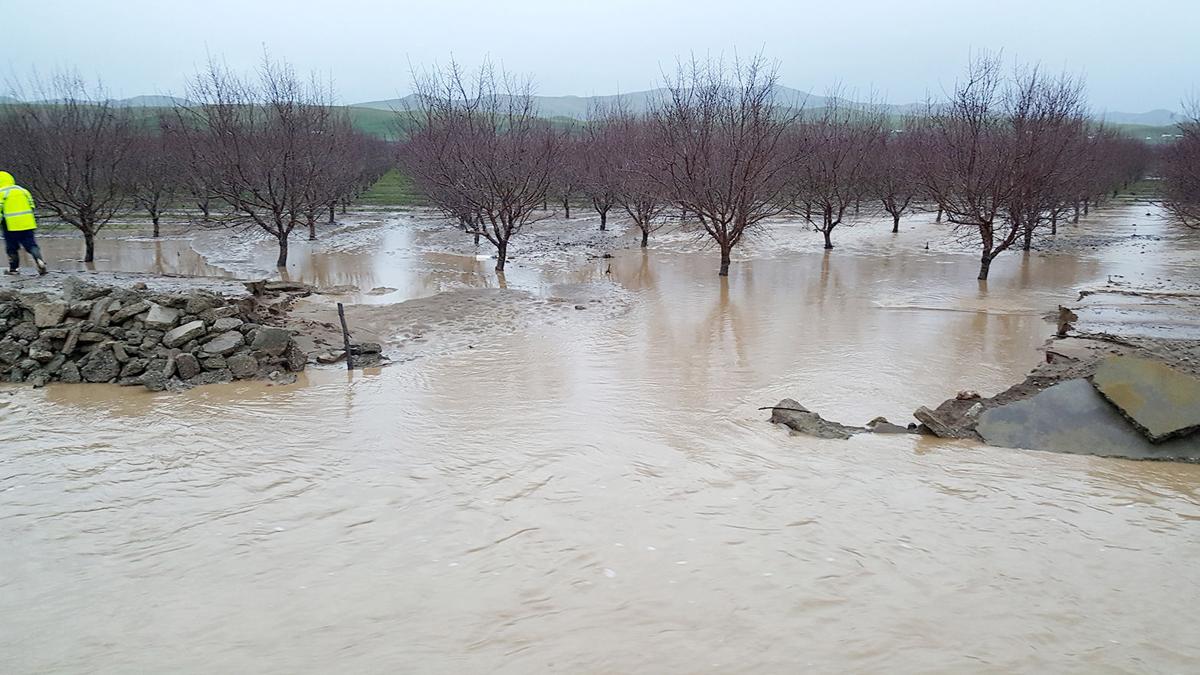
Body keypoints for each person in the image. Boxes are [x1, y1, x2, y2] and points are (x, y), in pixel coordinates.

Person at [0, 170, 47, 275]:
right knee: (31, 244)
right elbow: (32, 206)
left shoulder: (1, 193)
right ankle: (39, 260)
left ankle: (14, 269)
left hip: (10, 225)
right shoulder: (23, 190)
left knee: (11, 247)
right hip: (28, 223)